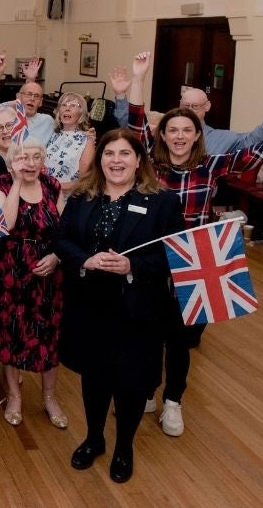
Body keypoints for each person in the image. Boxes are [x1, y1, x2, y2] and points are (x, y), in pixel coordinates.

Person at [125, 51, 263, 436]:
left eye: (187, 130)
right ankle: (149, 390)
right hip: (153, 259)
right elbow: (135, 124)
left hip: (196, 260)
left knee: (182, 341)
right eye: (173, 130)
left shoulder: (212, 165)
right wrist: (138, 77)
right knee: (149, 332)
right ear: (163, 136)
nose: (180, 136)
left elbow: (262, 151)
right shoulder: (149, 163)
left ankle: (173, 402)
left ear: (197, 134)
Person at [53, 129, 184, 484]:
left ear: (139, 160)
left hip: (137, 309)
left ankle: (124, 446)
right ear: (100, 160)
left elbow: (174, 257)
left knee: (131, 383)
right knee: (94, 378)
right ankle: (94, 439)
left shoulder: (163, 202)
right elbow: (61, 239)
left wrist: (133, 267)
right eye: (109, 153)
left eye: (124, 153)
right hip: (89, 305)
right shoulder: (82, 195)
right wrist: (85, 259)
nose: (115, 160)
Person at [0, 138, 67, 430]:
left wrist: (57, 256)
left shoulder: (53, 185)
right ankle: (14, 396)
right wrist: (17, 182)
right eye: (23, 157)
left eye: (36, 157)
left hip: (47, 270)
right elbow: (5, 225)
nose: (30, 162)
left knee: (49, 334)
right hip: (10, 268)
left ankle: (49, 397)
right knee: (11, 332)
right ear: (12, 161)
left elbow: (63, 230)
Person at [110, 65, 263, 154]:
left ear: (207, 106)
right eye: (186, 106)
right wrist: (120, 95)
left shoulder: (219, 139)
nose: (190, 111)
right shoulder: (162, 131)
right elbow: (133, 127)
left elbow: (253, 140)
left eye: (196, 106)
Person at [46, 92, 97, 191]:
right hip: (45, 192)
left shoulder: (87, 139)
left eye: (73, 105)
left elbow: (84, 181)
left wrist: (57, 187)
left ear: (81, 112)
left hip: (67, 196)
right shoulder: (53, 135)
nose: (67, 108)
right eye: (64, 105)